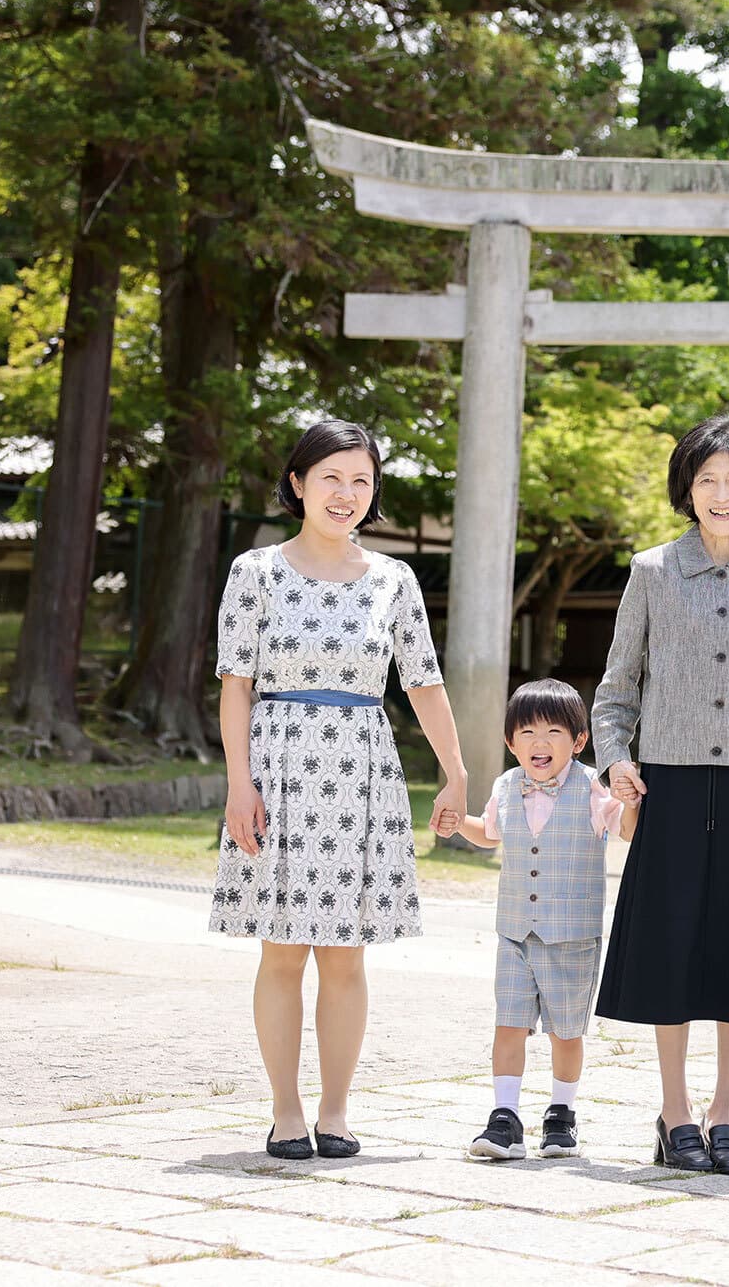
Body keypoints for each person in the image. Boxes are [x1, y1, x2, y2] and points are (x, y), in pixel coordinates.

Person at [211, 419, 468, 1160]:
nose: (346, 493)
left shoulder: (394, 580)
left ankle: (335, 1111)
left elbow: (423, 682)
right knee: (283, 951)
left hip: (361, 773)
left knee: (346, 954)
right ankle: (285, 1110)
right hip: (278, 770)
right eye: (331, 477)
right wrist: (239, 783)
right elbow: (236, 687)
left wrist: (455, 770)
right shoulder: (255, 572)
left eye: (361, 480)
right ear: (298, 483)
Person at [591, 414, 729, 1176]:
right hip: (671, 782)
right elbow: (617, 687)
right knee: (671, 947)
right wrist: (616, 761)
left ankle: (725, 1111)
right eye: (707, 479)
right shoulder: (652, 571)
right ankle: (675, 1110)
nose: (722, 493)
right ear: (686, 489)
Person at [450, 679, 636, 1162]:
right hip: (514, 933)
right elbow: (491, 833)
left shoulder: (593, 787)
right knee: (508, 1024)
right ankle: (505, 1117)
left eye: (554, 732)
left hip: (572, 937)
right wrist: (458, 822)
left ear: (578, 740)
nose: (540, 742)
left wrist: (632, 801)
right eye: (527, 732)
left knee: (566, 1033)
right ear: (510, 741)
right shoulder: (505, 786)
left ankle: (561, 1113)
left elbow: (626, 830)